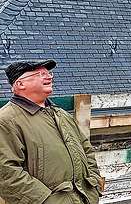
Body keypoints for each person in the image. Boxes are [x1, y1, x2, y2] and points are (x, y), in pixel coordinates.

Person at [0, 59, 103, 204]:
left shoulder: (61, 114)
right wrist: (49, 200)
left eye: (48, 73)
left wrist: (94, 187)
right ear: (20, 84)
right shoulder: (6, 120)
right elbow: (7, 174)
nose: (48, 77)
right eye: (39, 74)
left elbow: (86, 150)